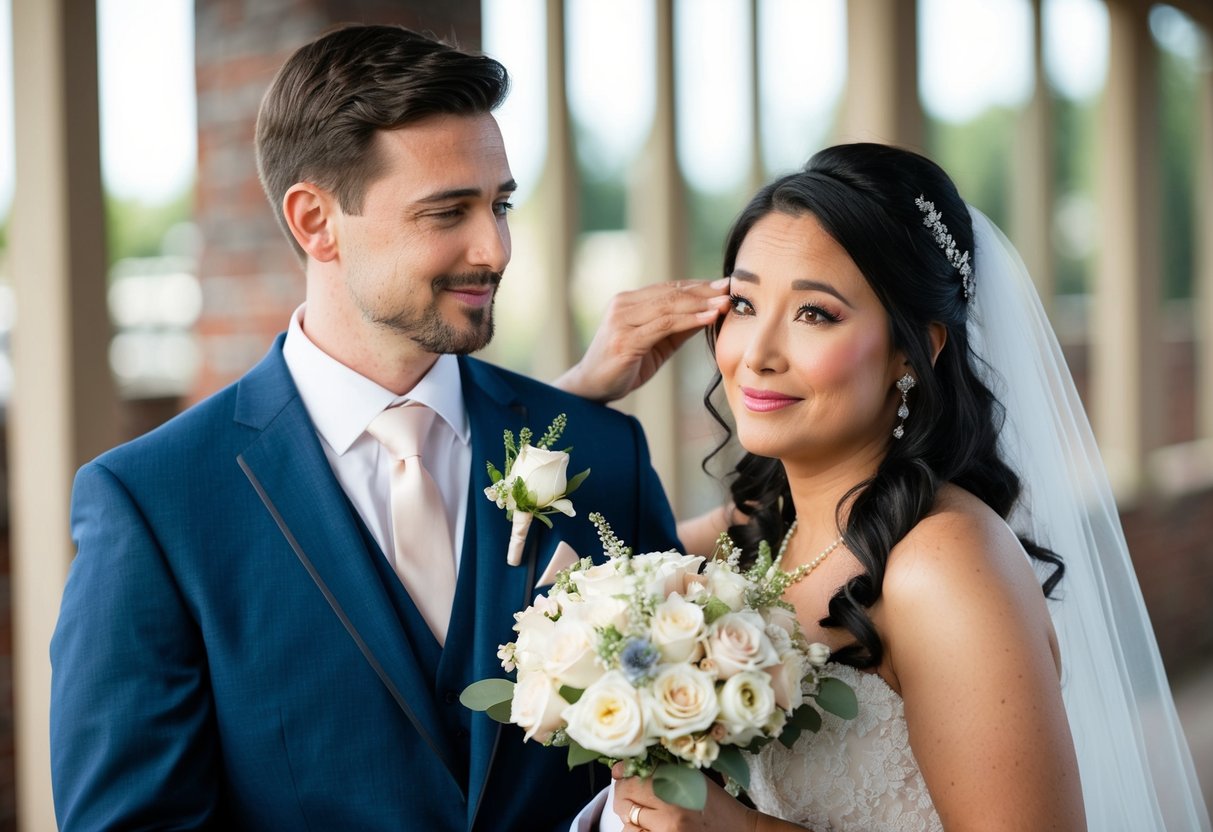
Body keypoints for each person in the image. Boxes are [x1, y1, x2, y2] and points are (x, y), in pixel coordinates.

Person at [49, 24, 727, 831]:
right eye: (448, 212)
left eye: (500, 204)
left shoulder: (599, 451)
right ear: (314, 221)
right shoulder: (154, 506)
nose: (496, 247)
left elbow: (684, 770)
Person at [597, 144, 1212, 831]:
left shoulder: (944, 564)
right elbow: (555, 590)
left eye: (814, 314)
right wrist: (584, 388)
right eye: (742, 303)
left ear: (914, 347)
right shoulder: (759, 527)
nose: (755, 354)